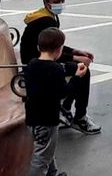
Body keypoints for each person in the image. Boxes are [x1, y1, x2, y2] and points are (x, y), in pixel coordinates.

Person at [20, 0, 102, 134]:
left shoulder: (48, 15)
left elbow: (54, 45)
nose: (60, 5)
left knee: (77, 66)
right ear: (46, 2)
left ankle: (64, 109)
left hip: (40, 59)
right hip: (38, 63)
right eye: (57, 1)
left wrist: (76, 51)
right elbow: (50, 49)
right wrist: (76, 57)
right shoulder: (45, 21)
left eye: (63, 1)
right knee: (82, 70)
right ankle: (79, 117)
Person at [24, 27, 88, 176]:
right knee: (42, 155)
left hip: (32, 116)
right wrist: (77, 77)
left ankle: (52, 173)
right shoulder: (56, 69)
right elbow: (63, 92)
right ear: (59, 50)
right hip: (47, 119)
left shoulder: (32, 64)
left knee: (46, 148)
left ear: (38, 47)